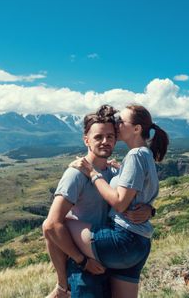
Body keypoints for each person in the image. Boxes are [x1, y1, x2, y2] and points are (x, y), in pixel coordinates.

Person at [43, 105, 153, 298]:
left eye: (110, 136)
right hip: (84, 265)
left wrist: (150, 210)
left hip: (108, 255)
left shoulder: (113, 173)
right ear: (86, 140)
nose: (105, 142)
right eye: (98, 137)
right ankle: (62, 290)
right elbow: (51, 225)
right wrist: (82, 262)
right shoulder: (76, 175)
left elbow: (131, 197)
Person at [66, 104, 169, 298]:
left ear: (137, 129)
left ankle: (61, 287)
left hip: (123, 240)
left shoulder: (135, 155)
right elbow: (140, 190)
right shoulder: (145, 155)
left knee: (60, 223)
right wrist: (120, 170)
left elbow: (120, 203)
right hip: (141, 243)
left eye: (121, 121)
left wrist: (92, 172)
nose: (116, 124)